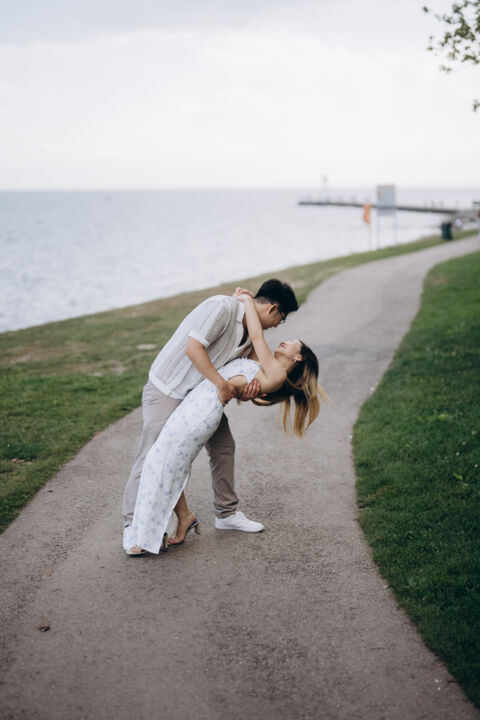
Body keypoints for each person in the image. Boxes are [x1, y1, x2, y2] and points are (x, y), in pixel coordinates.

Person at [124, 292, 322, 555]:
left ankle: (224, 514)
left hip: (201, 406)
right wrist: (237, 387)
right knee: (157, 459)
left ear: (298, 359)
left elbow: (253, 346)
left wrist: (247, 300)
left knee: (190, 456)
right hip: (176, 391)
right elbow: (228, 363)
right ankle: (137, 524)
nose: (279, 330)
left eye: (290, 340)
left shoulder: (271, 367)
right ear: (272, 308)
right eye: (281, 319)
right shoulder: (242, 333)